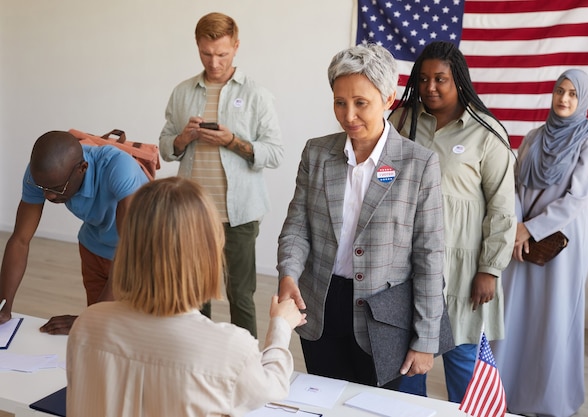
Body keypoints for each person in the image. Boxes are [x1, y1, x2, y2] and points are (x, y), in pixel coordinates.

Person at [277, 43, 445, 388]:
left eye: (361, 103)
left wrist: (426, 338)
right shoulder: (317, 153)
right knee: (324, 400)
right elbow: (297, 227)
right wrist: (289, 274)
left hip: (384, 316)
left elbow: (430, 256)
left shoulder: (419, 164)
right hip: (321, 306)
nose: (348, 115)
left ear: (389, 99)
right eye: (340, 102)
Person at [66, 177, 306, 417]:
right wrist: (281, 327)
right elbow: (270, 387)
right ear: (208, 252)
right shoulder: (228, 348)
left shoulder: (88, 323)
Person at [387, 41, 516, 401]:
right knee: (409, 364)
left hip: (464, 266)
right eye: (423, 78)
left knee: (465, 365)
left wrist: (490, 269)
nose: (430, 87)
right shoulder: (402, 121)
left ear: (458, 79)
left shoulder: (486, 132)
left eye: (440, 79)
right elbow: (383, 179)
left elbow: (502, 209)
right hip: (407, 262)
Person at [159, 12, 283, 338]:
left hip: (239, 215)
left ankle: (245, 366)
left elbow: (275, 152)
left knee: (240, 295)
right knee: (194, 294)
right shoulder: (182, 92)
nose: (214, 62)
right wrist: (183, 138)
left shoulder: (257, 95)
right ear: (198, 47)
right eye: (206, 53)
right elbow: (165, 146)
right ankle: (197, 357)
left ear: (236, 47)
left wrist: (232, 142)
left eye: (222, 54)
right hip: (192, 215)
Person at [492, 69, 588, 417]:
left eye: (573, 93)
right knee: (515, 316)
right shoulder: (533, 136)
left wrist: (532, 229)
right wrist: (516, 227)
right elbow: (512, 184)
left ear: (582, 98)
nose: (565, 99)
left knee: (553, 316)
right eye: (560, 91)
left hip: (561, 244)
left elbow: (578, 198)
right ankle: (504, 394)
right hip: (520, 242)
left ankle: (550, 399)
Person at [0, 130, 148, 335]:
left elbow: (130, 252)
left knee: (129, 330)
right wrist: (3, 307)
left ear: (82, 168)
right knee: (100, 334)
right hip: (94, 247)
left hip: (140, 254)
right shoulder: (41, 176)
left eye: (58, 188)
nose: (48, 195)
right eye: (42, 187)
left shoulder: (120, 169)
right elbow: (20, 240)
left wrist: (88, 320)